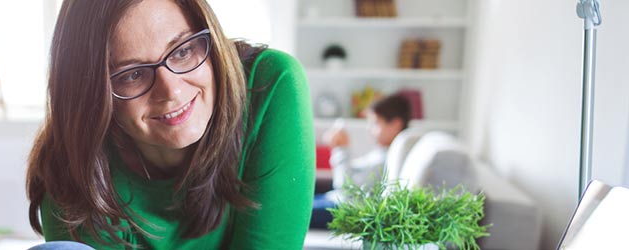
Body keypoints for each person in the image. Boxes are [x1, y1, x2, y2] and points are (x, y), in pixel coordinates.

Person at [25, 0, 316, 248]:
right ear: (91, 95)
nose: (171, 92)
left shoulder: (272, 85)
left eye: (182, 51)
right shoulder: (73, 166)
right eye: (132, 74)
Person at [310, 94, 414, 229]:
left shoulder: (388, 159)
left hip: (342, 207)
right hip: (334, 199)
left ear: (396, 125)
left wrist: (341, 149)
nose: (369, 129)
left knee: (289, 210)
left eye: (375, 122)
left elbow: (346, 188)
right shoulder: (381, 152)